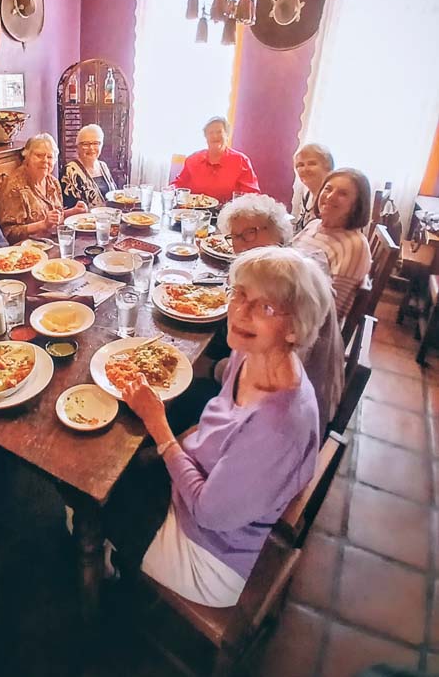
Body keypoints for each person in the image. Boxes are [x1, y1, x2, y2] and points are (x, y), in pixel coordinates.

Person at [104, 247, 329, 606]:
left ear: (294, 328)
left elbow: (208, 514)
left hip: (208, 555)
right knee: (118, 464)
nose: (240, 312)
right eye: (240, 294)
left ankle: (107, 567)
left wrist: (159, 427)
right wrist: (168, 445)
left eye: (266, 307)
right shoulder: (249, 353)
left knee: (91, 498)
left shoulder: (278, 426)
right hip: (202, 488)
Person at [217, 193, 345, 436]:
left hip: (289, 413)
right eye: (234, 236)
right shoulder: (289, 265)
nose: (240, 244)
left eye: (250, 232)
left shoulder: (292, 287)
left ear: (279, 230)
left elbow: (265, 374)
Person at [293, 168, 372, 321]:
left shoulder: (354, 246)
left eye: (343, 194)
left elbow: (332, 310)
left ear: (357, 205)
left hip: (308, 323)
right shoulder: (313, 225)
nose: (330, 197)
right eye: (328, 189)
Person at [0, 133, 86, 244]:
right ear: (27, 157)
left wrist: (73, 212)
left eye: (49, 157)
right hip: (27, 249)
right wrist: (42, 225)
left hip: (53, 242)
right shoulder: (14, 187)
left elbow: (55, 217)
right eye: (39, 155)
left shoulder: (53, 182)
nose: (45, 160)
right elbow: (8, 233)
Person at [173, 116, 260, 203]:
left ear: (227, 135)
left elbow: (252, 195)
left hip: (229, 210)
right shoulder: (192, 160)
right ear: (206, 137)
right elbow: (178, 185)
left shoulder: (241, 161)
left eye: (219, 132)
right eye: (210, 132)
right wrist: (170, 190)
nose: (215, 136)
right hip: (195, 210)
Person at [61, 124, 117, 207]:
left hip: (109, 214)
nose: (91, 148)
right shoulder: (70, 170)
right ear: (78, 147)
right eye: (85, 144)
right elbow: (68, 206)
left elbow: (115, 195)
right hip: (83, 215)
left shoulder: (103, 166)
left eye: (96, 143)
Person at [293, 143, 335, 232]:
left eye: (311, 163)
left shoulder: (332, 197)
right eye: (300, 165)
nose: (305, 169)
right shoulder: (306, 195)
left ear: (327, 166)